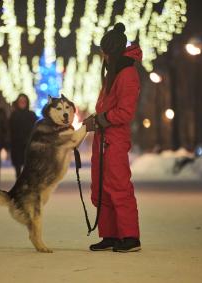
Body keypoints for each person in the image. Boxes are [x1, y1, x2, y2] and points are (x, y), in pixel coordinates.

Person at [83, 23, 142, 252]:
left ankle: (129, 236)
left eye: (104, 53)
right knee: (100, 188)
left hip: (114, 139)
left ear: (112, 52)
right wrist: (96, 120)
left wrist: (100, 120)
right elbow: (107, 107)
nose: (103, 57)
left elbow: (125, 112)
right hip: (103, 138)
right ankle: (110, 234)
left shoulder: (127, 74)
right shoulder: (115, 71)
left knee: (118, 187)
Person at [9, 93, 37, 178]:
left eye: (24, 101)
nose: (22, 103)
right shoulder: (13, 115)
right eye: (20, 101)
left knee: (28, 166)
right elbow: (10, 130)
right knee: (17, 167)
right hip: (16, 145)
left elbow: (36, 129)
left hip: (28, 145)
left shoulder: (32, 115)